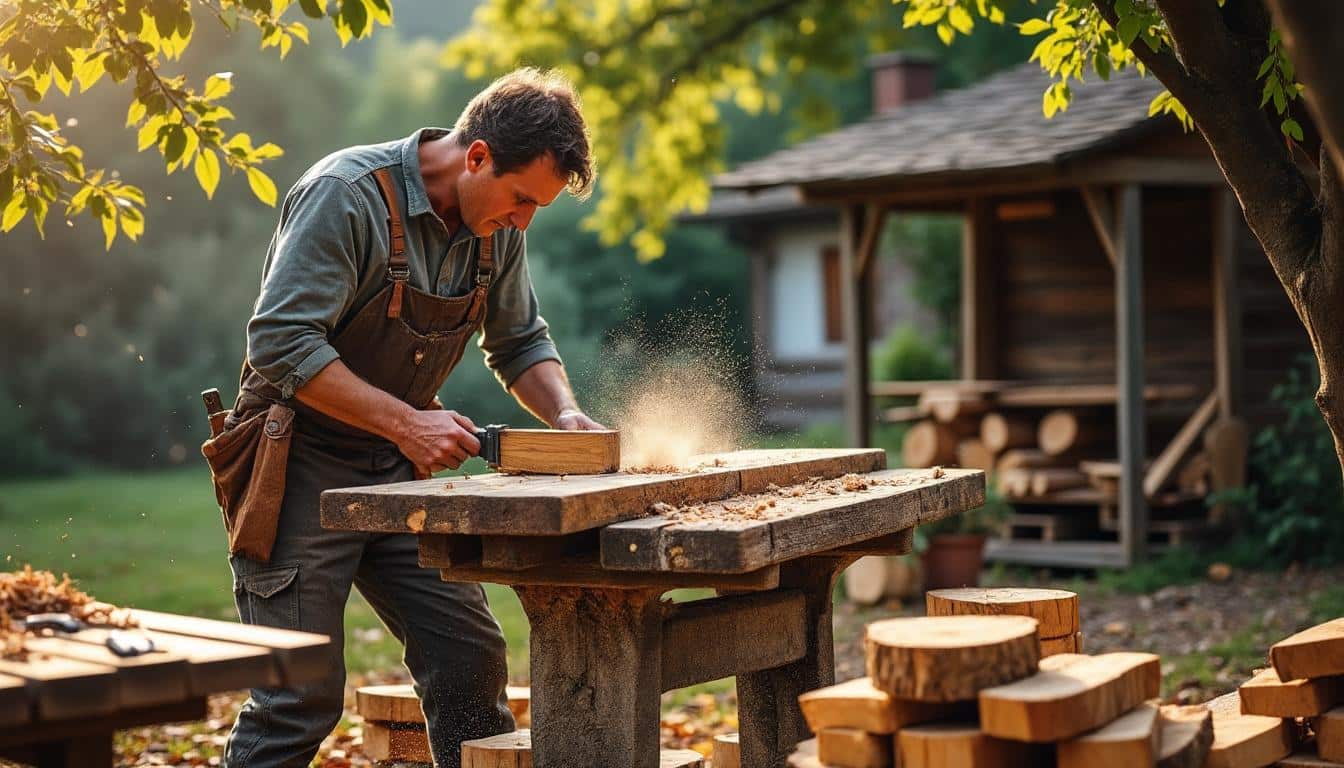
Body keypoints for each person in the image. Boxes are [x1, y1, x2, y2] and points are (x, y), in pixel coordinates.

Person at [210, 68, 601, 768]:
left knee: (469, 668)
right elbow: (279, 341)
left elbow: (518, 341)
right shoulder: (347, 196)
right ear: (475, 155)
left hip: (393, 467)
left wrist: (566, 414)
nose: (523, 221)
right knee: (297, 696)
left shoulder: (495, 228)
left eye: (535, 207)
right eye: (520, 199)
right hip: (292, 464)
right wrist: (408, 424)